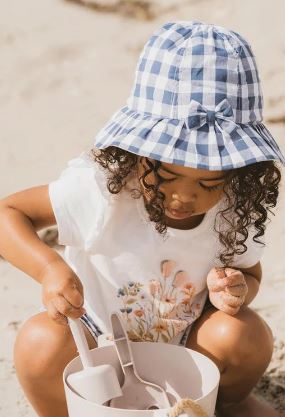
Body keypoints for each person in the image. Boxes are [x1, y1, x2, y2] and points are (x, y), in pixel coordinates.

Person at [0, 21, 284, 417]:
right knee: (38, 341)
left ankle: (224, 403)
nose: (185, 196)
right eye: (166, 176)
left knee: (245, 334)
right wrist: (49, 269)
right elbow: (8, 213)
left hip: (187, 347)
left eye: (208, 182)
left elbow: (249, 274)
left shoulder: (233, 209)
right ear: (138, 154)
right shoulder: (104, 191)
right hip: (93, 340)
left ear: (237, 174)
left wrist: (235, 291)